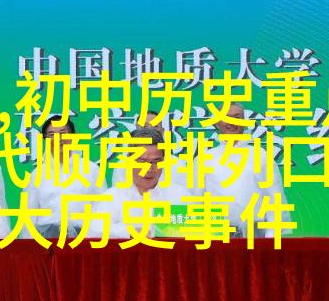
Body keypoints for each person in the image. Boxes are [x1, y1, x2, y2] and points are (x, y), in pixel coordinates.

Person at [197, 103, 287, 235]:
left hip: (256, 233)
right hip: (217, 233)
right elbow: (195, 199)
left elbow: (275, 197)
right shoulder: (204, 159)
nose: (232, 122)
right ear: (217, 123)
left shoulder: (261, 156)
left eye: (237, 117)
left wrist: (271, 236)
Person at [90, 125, 189, 240]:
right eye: (142, 161)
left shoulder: (179, 195)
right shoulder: (112, 197)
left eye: (156, 162)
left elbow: (195, 230)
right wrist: (129, 231)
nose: (149, 169)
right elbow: (93, 230)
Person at [22, 114, 103, 239]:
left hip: (85, 241)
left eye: (62, 133)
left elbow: (102, 209)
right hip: (47, 242)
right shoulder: (37, 174)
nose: (58, 139)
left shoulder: (92, 170)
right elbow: (28, 216)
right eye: (51, 135)